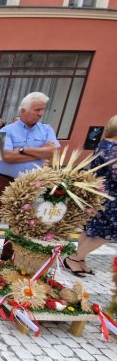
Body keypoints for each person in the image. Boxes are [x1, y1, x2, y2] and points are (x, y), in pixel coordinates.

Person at [0, 92, 60, 260]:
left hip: (30, 183)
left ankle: (8, 256)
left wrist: (23, 149)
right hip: (3, 180)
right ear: (23, 110)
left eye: (42, 110)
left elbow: (54, 152)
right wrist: (40, 152)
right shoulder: (7, 130)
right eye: (37, 109)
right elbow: (7, 156)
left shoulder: (46, 130)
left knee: (19, 222)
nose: (40, 113)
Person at [64, 115, 117, 276]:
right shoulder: (113, 148)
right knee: (105, 233)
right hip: (110, 197)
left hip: (100, 194)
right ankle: (74, 258)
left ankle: (80, 260)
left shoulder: (105, 144)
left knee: (91, 229)